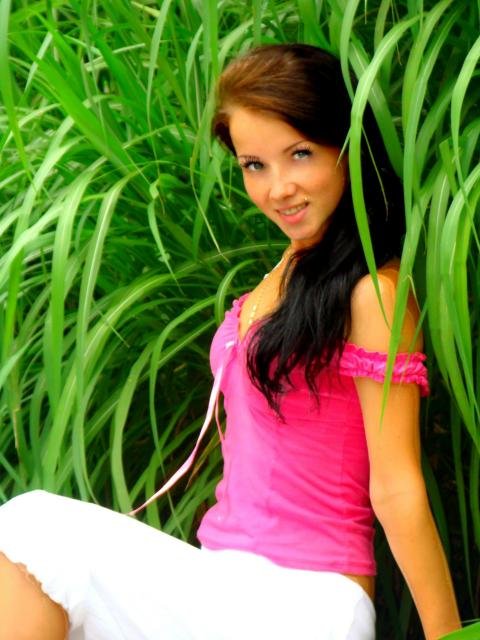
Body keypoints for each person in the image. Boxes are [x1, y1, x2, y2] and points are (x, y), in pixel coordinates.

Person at [0, 44, 460, 640]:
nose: (279, 188)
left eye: (300, 154)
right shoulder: (283, 276)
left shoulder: (374, 294)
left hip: (305, 602)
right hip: (222, 581)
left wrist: (448, 636)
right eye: (254, 165)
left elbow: (396, 486)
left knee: (33, 526)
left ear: (346, 148)